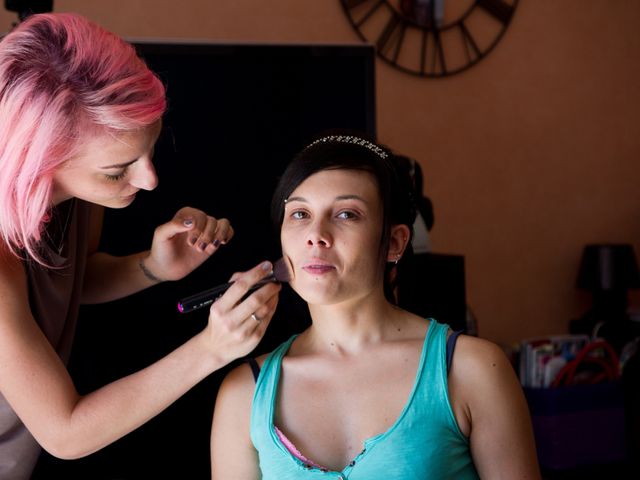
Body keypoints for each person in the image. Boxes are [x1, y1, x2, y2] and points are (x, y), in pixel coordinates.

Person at [0, 12, 280, 479]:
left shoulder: (76, 193)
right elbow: (65, 432)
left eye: (147, 152)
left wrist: (152, 268)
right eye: (118, 170)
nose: (148, 181)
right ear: (40, 160)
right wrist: (211, 348)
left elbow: (68, 279)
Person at [210, 133, 541, 479]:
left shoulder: (472, 369)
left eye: (347, 214)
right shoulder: (244, 393)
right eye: (300, 213)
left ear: (395, 242)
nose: (315, 234)